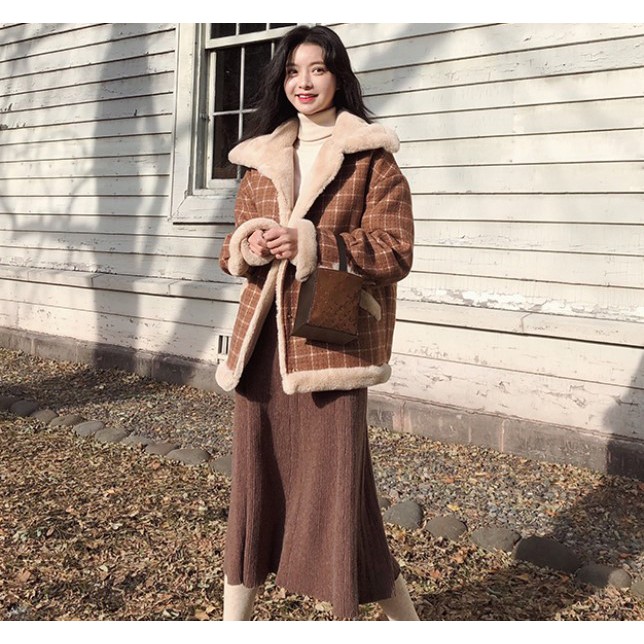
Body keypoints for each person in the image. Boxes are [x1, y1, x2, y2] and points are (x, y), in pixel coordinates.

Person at [215, 25, 418, 621]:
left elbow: (396, 251)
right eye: (292, 71)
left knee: (339, 494)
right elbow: (229, 252)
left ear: (338, 77)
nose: (303, 83)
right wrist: (251, 244)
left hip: (330, 346)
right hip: (260, 349)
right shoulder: (260, 158)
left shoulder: (371, 160)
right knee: (254, 489)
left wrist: (310, 242)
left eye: (318, 69)